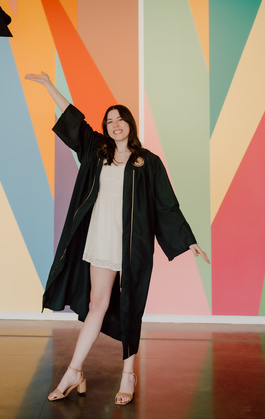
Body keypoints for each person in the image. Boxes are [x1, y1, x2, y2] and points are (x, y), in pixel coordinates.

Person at [25, 71, 210, 406]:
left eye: (120, 119)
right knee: (97, 304)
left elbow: (166, 203)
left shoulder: (147, 163)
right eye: (109, 120)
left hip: (132, 245)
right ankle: (74, 371)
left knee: (129, 306)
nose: (115, 124)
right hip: (100, 240)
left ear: (130, 124)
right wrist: (50, 86)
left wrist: (187, 239)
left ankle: (128, 374)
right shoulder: (96, 151)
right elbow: (73, 120)